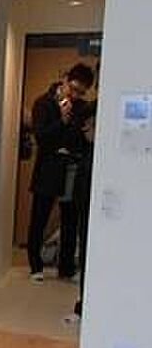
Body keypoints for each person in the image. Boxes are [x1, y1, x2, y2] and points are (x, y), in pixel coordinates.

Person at [27, 63, 95, 282]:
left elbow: (80, 139)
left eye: (80, 92)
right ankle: (35, 265)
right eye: (73, 88)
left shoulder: (82, 108)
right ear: (65, 79)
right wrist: (62, 121)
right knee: (40, 217)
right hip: (48, 169)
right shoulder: (43, 103)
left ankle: (66, 267)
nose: (74, 95)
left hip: (71, 168)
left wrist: (85, 135)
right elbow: (41, 137)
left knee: (70, 220)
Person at [71, 102, 97, 319]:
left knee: (90, 252)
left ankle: (87, 300)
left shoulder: (101, 154)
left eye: (89, 125)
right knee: (85, 248)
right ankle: (84, 298)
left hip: (93, 207)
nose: (85, 129)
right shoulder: (89, 149)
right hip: (85, 204)